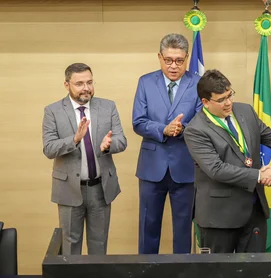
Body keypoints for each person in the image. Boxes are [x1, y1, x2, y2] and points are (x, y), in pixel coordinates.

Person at [183, 69, 271, 253]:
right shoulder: (195, 130)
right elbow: (216, 169)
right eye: (221, 100)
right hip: (219, 218)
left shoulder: (245, 111)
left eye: (230, 95)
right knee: (218, 276)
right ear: (205, 102)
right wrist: (259, 175)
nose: (228, 103)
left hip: (253, 210)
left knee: (255, 272)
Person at [42, 63, 127, 255]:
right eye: (79, 83)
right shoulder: (53, 111)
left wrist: (108, 146)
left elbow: (121, 140)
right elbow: (48, 148)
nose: (86, 88)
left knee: (99, 246)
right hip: (69, 188)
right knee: (70, 247)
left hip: (101, 188)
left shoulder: (108, 107)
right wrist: (74, 140)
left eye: (89, 82)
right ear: (67, 85)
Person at [133, 33, 203, 254]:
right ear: (159, 57)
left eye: (179, 61)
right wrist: (163, 129)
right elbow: (138, 121)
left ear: (187, 58)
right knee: (148, 227)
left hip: (185, 166)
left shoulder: (198, 83)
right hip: (152, 166)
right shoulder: (145, 82)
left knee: (183, 230)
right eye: (168, 60)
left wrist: (182, 129)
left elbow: (203, 122)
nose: (173, 66)